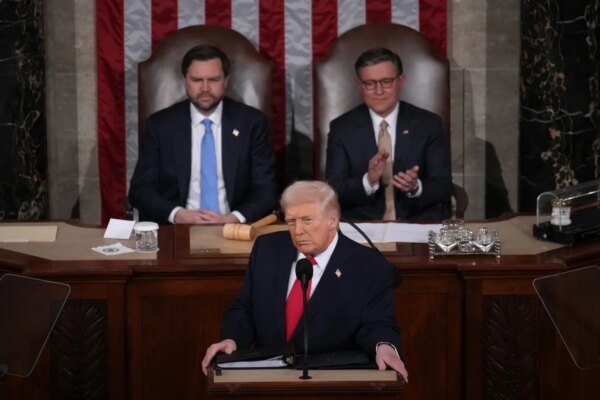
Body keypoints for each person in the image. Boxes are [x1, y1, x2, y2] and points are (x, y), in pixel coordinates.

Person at [201, 181, 408, 382]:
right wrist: (232, 339)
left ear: (332, 221)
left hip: (331, 382)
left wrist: (384, 346)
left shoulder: (368, 266)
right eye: (291, 221)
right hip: (268, 381)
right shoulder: (266, 250)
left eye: (307, 220)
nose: (298, 230)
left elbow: (378, 323)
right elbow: (244, 308)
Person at [129, 44, 277, 225]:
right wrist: (177, 214)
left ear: (226, 81)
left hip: (234, 228)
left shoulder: (252, 123)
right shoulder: (160, 125)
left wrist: (234, 218)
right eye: (197, 80)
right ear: (184, 80)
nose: (205, 88)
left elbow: (266, 188)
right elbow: (141, 189)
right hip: (179, 229)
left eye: (213, 79)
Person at [326, 47, 452, 221]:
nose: (378, 91)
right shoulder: (341, 128)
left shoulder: (428, 124)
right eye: (370, 83)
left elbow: (443, 186)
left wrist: (415, 187)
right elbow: (333, 190)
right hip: (363, 224)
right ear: (359, 85)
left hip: (416, 221)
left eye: (386, 82)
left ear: (401, 81)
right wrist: (368, 181)